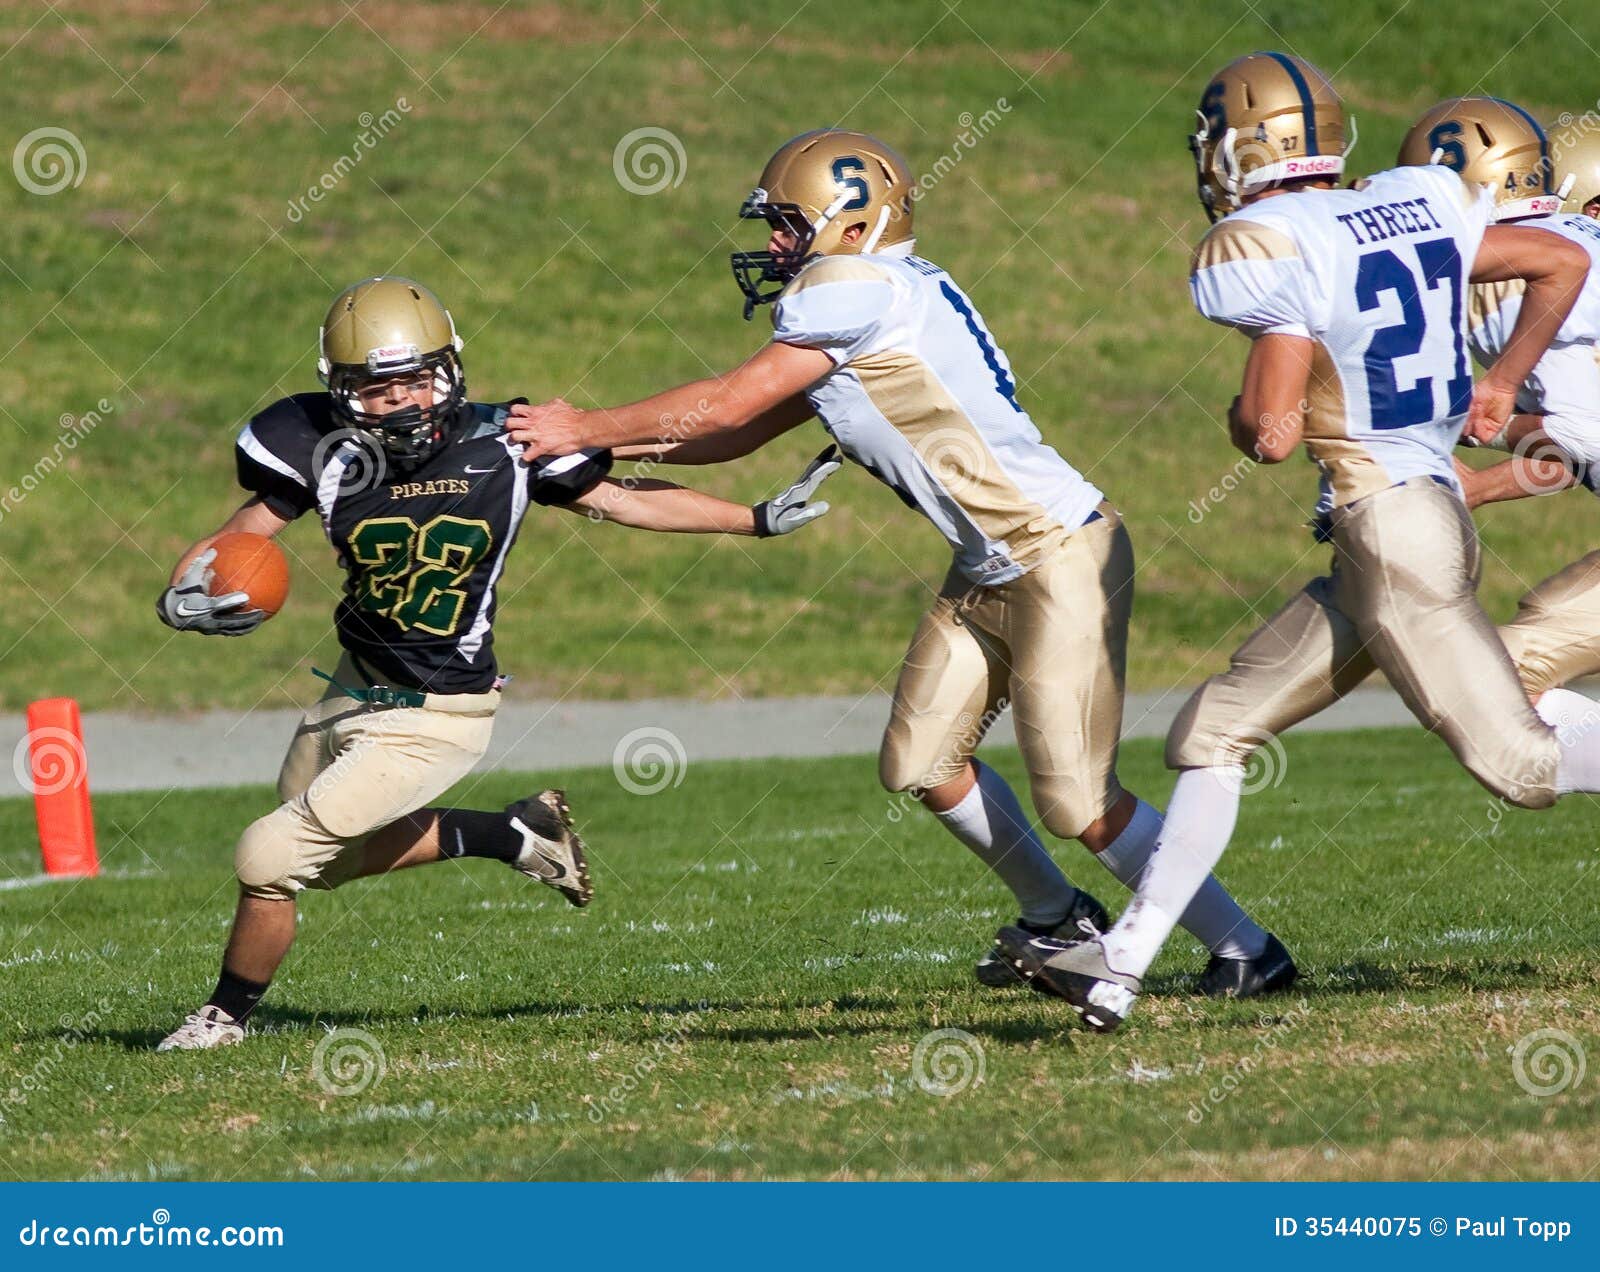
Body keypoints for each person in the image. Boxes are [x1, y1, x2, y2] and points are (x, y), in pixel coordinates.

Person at [506, 130, 1291, 998]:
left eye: (788, 223)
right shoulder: (875, 292)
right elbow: (732, 432)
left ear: (853, 225)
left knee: (1078, 803)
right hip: (989, 563)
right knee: (919, 761)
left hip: (1058, 553)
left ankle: (1246, 947)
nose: (774, 243)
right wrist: (598, 467)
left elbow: (721, 402)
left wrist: (583, 427)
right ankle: (1054, 916)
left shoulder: (853, 288)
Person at [995, 52, 1600, 1033]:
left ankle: (1126, 958)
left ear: (1246, 145)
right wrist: (1500, 381)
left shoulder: (1265, 241)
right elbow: (1558, 261)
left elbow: (1270, 434)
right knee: (1213, 728)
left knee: (1523, 767)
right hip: (1402, 531)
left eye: (1209, 140)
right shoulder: (1415, 200)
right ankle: (1125, 964)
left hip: (1394, 533)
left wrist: (1250, 418)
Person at [154, 276, 836, 1050]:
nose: (402, 402)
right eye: (377, 389)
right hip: (352, 685)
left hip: (440, 713)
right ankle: (514, 833)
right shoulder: (312, 444)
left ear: (451, 371)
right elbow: (244, 535)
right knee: (329, 863)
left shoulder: (507, 442)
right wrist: (183, 587)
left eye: (416, 379)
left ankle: (222, 1019)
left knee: (269, 856)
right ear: (338, 390)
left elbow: (623, 499)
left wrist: (750, 519)